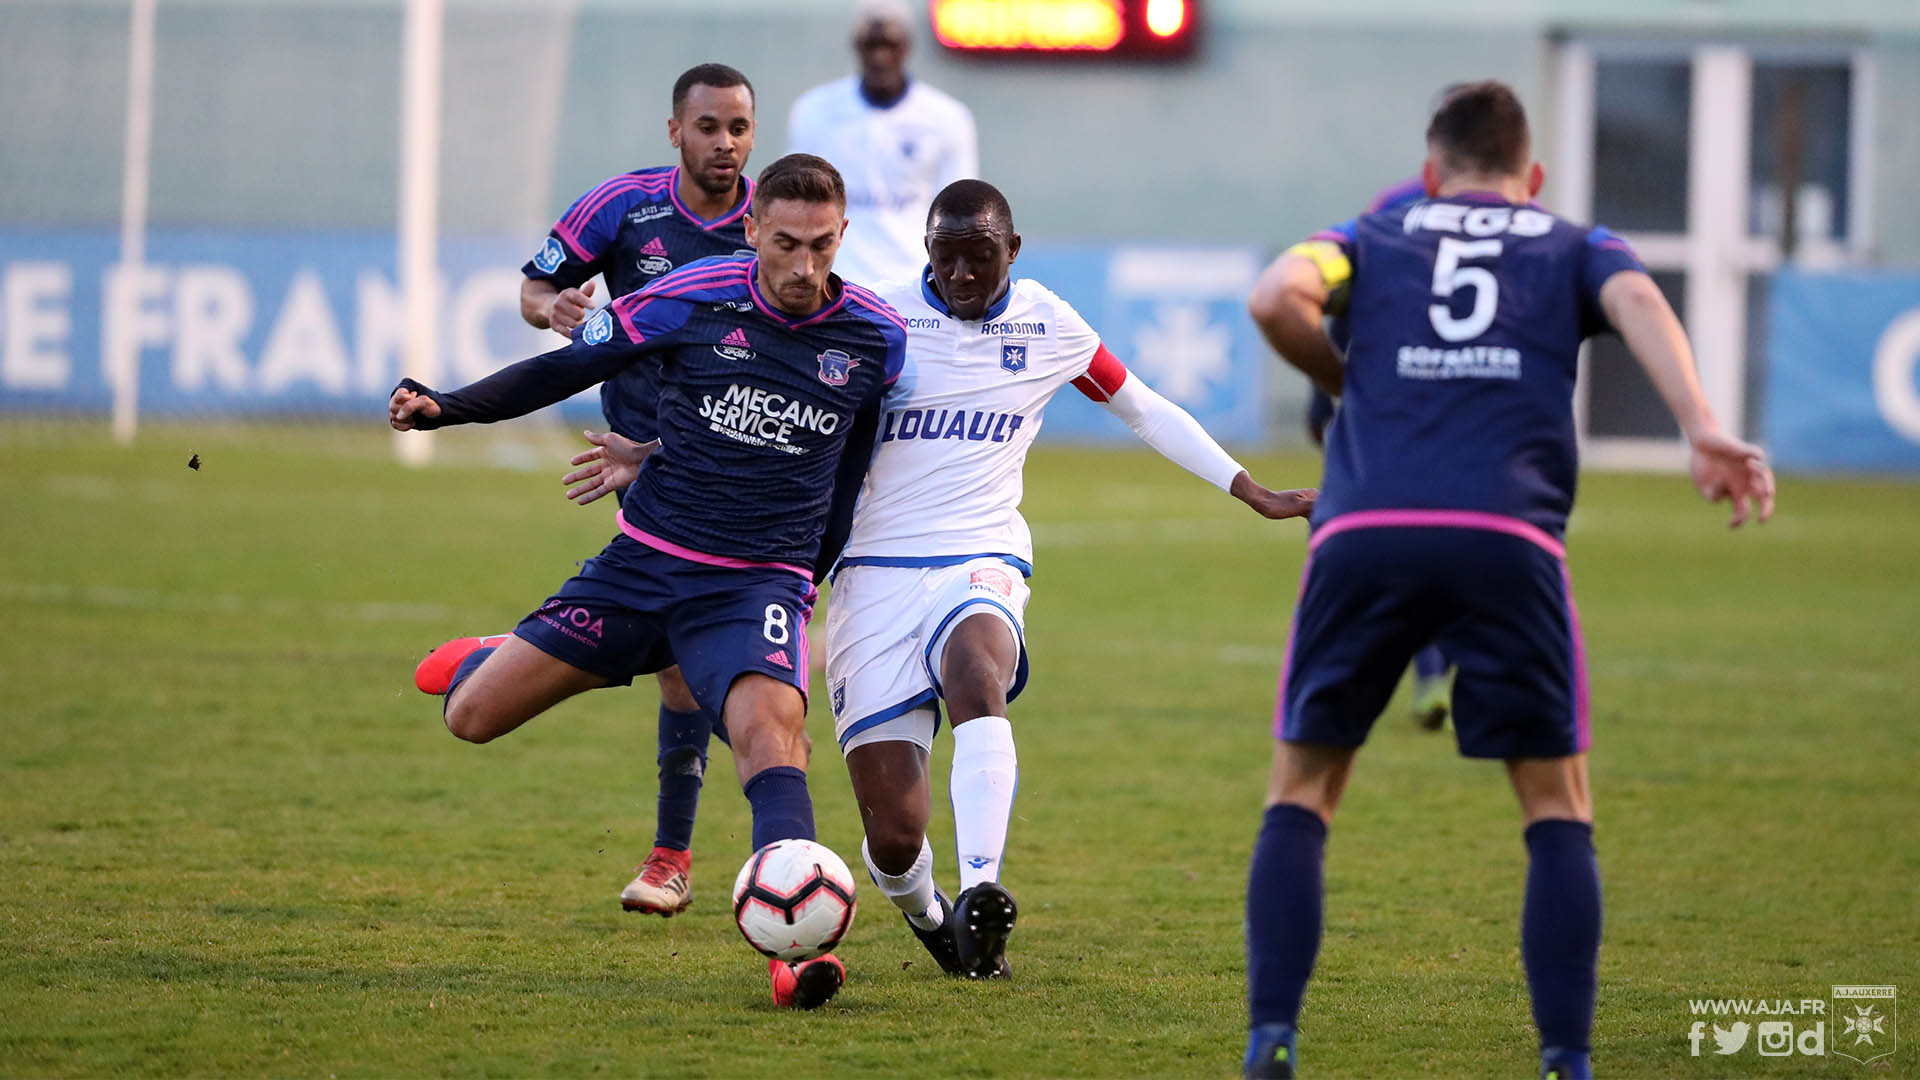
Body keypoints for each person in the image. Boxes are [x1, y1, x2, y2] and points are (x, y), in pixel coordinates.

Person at [566, 179, 1317, 981]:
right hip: (871, 578)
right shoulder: (878, 322)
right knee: (893, 835)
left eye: (980, 258)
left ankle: (984, 890)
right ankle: (936, 919)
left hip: (978, 557)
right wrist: (650, 455)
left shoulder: (1050, 323)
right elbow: (770, 406)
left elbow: (1146, 408)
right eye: (946, 257)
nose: (961, 275)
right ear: (927, 252)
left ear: (1013, 252)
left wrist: (1253, 490)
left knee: (976, 671)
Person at [1239, 82, 1775, 1079]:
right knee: (1556, 806)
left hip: (1365, 531)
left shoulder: (1370, 233)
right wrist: (1701, 424)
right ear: (1529, 177)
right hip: (1507, 537)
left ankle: (1272, 1040)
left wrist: (1352, 387)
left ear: (1432, 170)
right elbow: (1640, 299)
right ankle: (1565, 1059)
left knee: (1303, 792)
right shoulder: (1573, 240)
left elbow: (1277, 297)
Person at [390, 154, 907, 1010]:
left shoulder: (873, 340)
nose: (804, 267)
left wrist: (805, 581)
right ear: (752, 232)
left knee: (771, 744)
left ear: (842, 236)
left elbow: (849, 476)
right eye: (785, 244)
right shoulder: (688, 296)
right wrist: (449, 405)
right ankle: (503, 652)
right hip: (642, 567)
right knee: (470, 718)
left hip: (753, 590)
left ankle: (799, 951)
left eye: (821, 246)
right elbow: (564, 369)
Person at [423, 63, 761, 921]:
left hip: (732, 453)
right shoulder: (620, 206)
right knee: (691, 668)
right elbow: (535, 289)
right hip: (638, 454)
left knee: (701, 662)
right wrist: (554, 308)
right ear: (674, 131)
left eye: (740, 128)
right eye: (710, 127)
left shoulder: (774, 224)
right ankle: (673, 858)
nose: (726, 144)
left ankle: (541, 645)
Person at [1294, 176, 1456, 733]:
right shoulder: (1504, 220)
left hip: (1379, 419)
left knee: (1356, 541)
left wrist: (1323, 398)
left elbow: (1335, 312)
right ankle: (1435, 669)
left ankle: (1343, 670)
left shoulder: (1386, 214)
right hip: (1460, 419)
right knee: (1441, 546)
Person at [787, 0, 977, 285]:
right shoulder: (814, 111)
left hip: (915, 280)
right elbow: (795, 201)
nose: (880, 56)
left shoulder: (947, 118)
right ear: (857, 46)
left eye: (889, 44)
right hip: (836, 279)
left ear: (906, 47)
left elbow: (959, 210)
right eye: (871, 44)